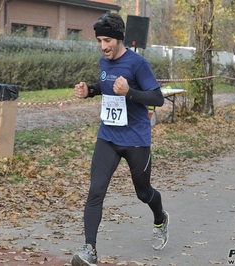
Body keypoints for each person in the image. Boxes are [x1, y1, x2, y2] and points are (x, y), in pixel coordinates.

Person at [71, 12, 169, 266]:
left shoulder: (138, 64)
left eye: (107, 40)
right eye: (99, 41)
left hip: (136, 139)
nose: (103, 46)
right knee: (95, 191)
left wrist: (130, 92)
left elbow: (157, 98)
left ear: (119, 39)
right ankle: (89, 250)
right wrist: (90, 91)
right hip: (108, 137)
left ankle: (160, 218)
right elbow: (106, 85)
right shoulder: (105, 62)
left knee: (143, 192)